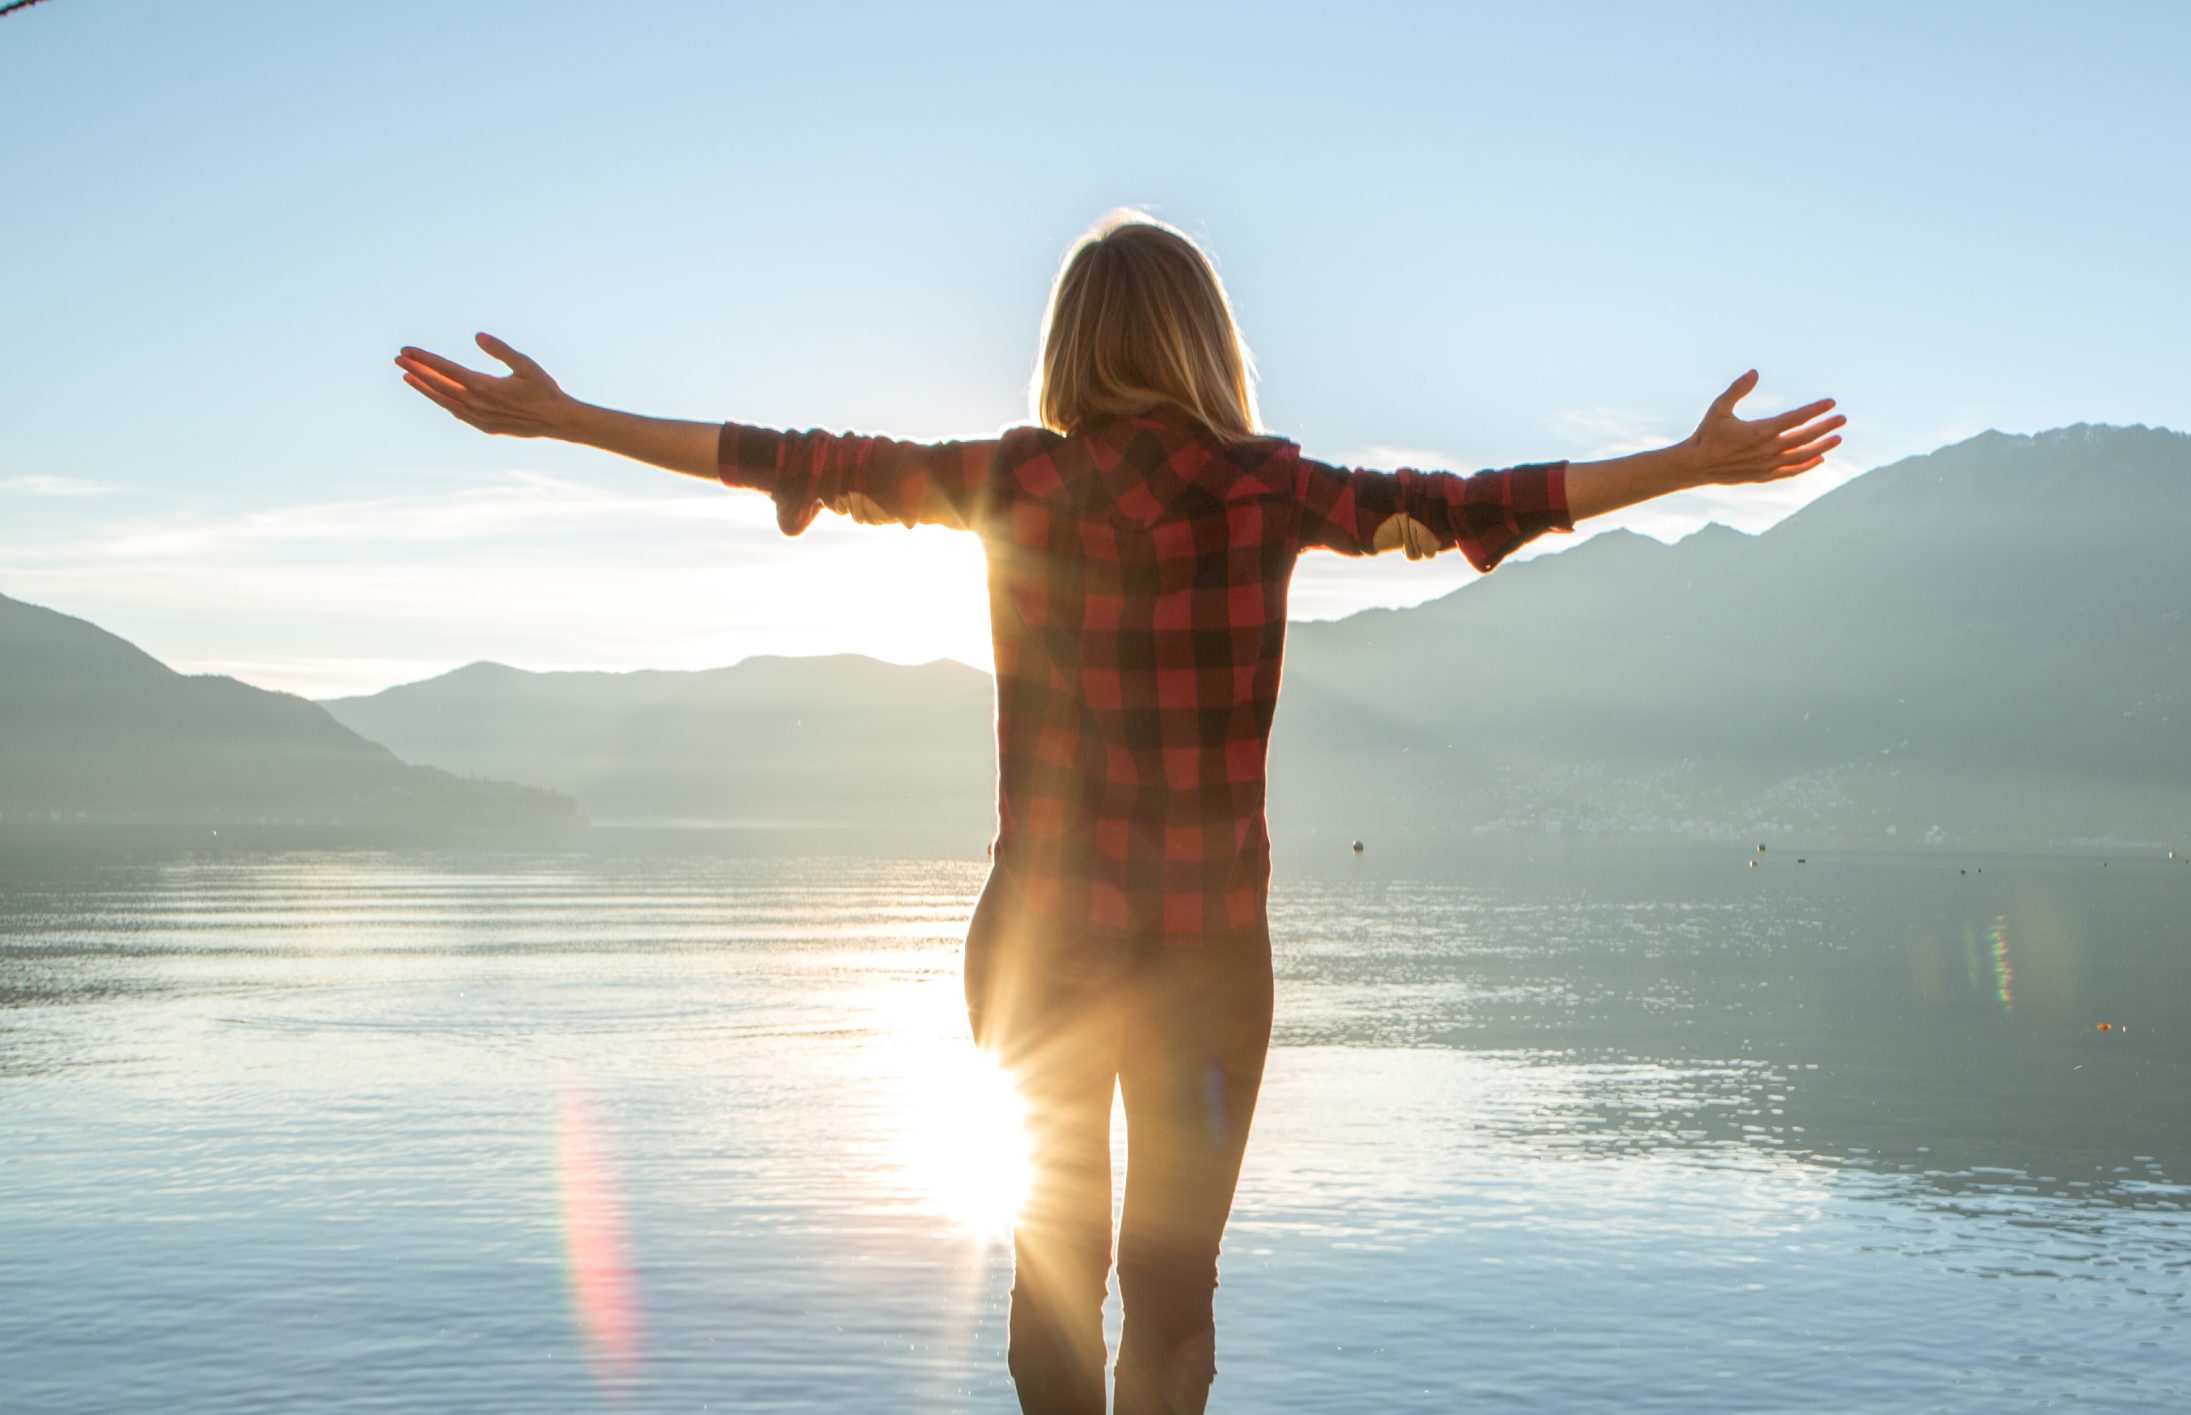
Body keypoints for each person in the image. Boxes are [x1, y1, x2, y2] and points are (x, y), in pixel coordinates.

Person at [394, 209, 1842, 1415]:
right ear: (1211, 344)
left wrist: (570, 419)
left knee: (1048, 1271)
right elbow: (1481, 502)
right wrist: (1689, 463)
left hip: (1037, 942)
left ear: (1069, 347)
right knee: (1172, 1295)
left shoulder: (1011, 482)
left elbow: (793, 459)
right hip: (1209, 959)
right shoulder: (1272, 489)